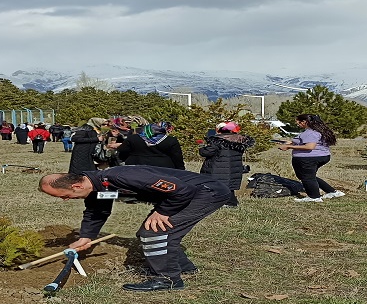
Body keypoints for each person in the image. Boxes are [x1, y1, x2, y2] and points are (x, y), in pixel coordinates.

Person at [38, 166, 232, 292]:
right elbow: (96, 212)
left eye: (63, 195)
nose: (64, 200)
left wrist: (163, 211)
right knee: (149, 233)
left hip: (205, 192)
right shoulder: (97, 186)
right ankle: (184, 268)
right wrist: (86, 237)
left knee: (155, 231)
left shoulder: (122, 177)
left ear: (76, 186)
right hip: (186, 195)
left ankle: (168, 279)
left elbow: (182, 190)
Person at [277, 114, 343, 202]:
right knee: (309, 176)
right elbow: (307, 142)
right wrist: (290, 143)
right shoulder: (318, 131)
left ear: (304, 122)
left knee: (307, 177)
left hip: (308, 158)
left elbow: (309, 146)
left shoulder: (310, 133)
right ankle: (332, 192)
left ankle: (314, 197)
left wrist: (288, 147)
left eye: (298, 122)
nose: (297, 124)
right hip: (322, 156)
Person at [198, 121, 255, 204]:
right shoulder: (240, 140)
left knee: (216, 187)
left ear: (219, 130)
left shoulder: (217, 141)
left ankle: (220, 203)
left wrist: (202, 146)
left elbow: (205, 152)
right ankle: (231, 202)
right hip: (234, 168)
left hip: (217, 168)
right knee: (229, 187)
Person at [114, 121, 185, 170]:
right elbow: (177, 158)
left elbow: (122, 151)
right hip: (164, 170)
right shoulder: (170, 140)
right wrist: (182, 171)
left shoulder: (133, 138)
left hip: (135, 169)